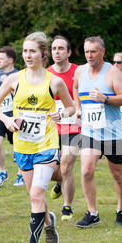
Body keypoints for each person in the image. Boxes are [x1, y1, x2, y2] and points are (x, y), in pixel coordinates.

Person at [0, 32, 75, 243]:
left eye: (32, 52)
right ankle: (48, 223)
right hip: (23, 145)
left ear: (43, 55)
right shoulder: (14, 80)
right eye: (25, 51)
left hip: (46, 145)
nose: (28, 55)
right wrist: (7, 121)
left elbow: (71, 107)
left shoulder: (54, 81)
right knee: (34, 195)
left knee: (37, 194)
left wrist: (62, 113)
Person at [73, 36, 122, 227]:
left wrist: (105, 99)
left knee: (117, 173)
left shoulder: (112, 73)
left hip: (113, 133)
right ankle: (92, 213)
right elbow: (75, 88)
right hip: (90, 132)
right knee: (86, 170)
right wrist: (78, 107)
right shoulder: (80, 72)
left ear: (102, 52)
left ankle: (121, 209)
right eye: (87, 51)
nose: (89, 55)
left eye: (93, 51)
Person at [46, 35, 80, 221]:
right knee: (51, 169)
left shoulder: (78, 72)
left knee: (66, 164)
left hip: (73, 125)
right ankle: (60, 182)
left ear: (68, 52)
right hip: (51, 127)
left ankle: (67, 207)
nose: (57, 52)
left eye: (60, 48)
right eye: (54, 49)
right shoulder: (46, 74)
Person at [0, 46, 24, 187]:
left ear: (10, 60)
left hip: (14, 113)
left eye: (1, 58)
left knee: (17, 146)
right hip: (0, 112)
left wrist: (9, 84)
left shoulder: (19, 74)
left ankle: (20, 175)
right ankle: (2, 172)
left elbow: (21, 95)